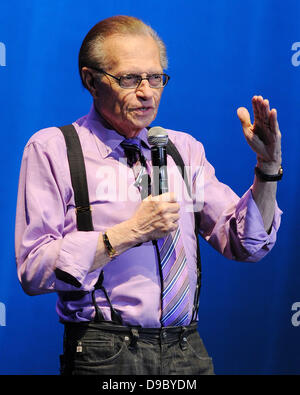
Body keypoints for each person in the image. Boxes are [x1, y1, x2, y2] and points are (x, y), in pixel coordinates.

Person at [15, 15, 282, 375]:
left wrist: (267, 170)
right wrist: (129, 233)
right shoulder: (54, 149)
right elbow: (34, 269)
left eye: (155, 78)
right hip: (106, 352)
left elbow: (244, 243)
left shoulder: (183, 149)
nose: (146, 92)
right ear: (91, 80)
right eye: (129, 78)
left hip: (187, 349)